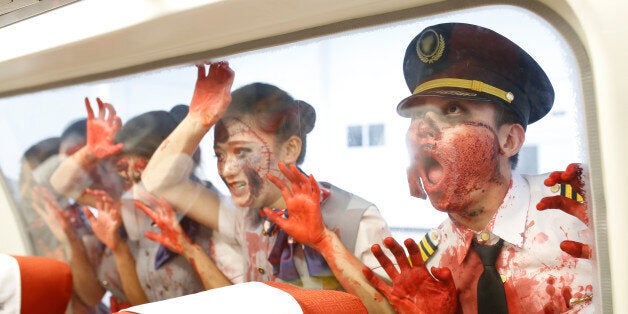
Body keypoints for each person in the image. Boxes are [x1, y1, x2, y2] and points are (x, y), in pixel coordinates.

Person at [362, 23, 593, 313]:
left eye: (453, 109)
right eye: (417, 115)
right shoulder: (429, 268)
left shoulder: (583, 216)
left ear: (509, 140)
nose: (422, 128)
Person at [140, 62, 396, 313]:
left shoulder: (357, 219)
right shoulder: (246, 217)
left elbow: (391, 310)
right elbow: (158, 181)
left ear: (289, 149)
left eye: (242, 151)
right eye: (219, 155)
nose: (226, 169)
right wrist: (197, 119)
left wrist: (325, 242)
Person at [48, 99, 242, 310]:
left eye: (142, 178)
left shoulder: (212, 211)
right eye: (126, 179)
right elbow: (62, 183)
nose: (136, 190)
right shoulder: (137, 211)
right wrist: (91, 151)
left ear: (178, 166)